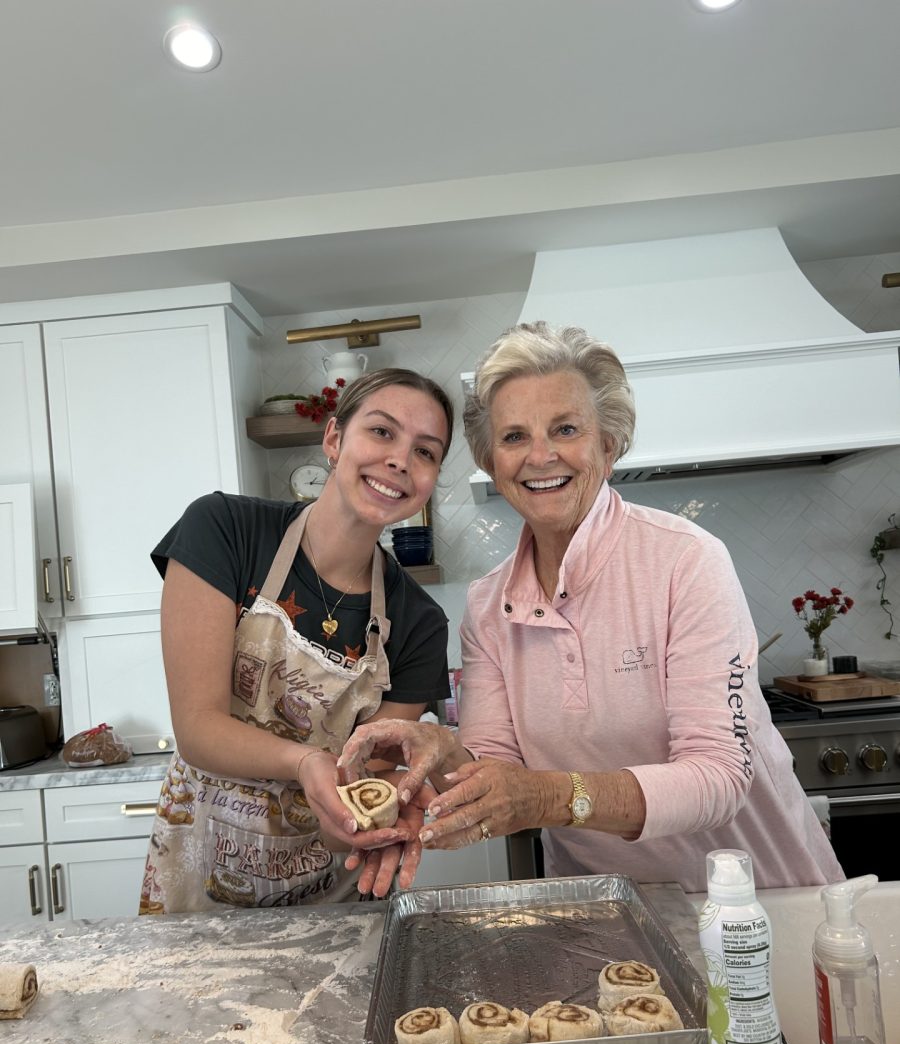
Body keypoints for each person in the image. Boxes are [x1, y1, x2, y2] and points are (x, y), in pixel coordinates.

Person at [338, 323, 844, 895]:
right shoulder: (488, 604)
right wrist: (438, 754)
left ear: (608, 445)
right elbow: (494, 763)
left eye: (566, 429)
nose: (539, 455)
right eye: (513, 437)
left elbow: (720, 778)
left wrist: (550, 796)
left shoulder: (686, 561)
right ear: (491, 461)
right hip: (604, 908)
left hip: (758, 902)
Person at [139, 367, 454, 914]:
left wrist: (372, 819)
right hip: (199, 882)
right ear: (334, 438)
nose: (401, 459)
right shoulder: (224, 530)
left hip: (327, 903)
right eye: (381, 432)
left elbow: (351, 804)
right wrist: (309, 762)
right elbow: (197, 728)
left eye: (426, 452)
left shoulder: (420, 623)